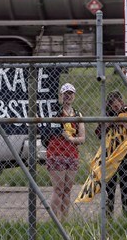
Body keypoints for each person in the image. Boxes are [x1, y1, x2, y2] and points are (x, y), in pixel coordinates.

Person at [95, 91, 127, 217]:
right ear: (109, 106)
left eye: (119, 104)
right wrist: (109, 124)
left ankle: (126, 215)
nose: (117, 108)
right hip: (111, 157)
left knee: (126, 186)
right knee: (110, 188)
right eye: (114, 106)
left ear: (122, 102)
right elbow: (98, 133)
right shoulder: (106, 115)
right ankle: (109, 216)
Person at [46, 83, 85, 221]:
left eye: (71, 93)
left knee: (67, 190)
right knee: (58, 189)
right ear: (61, 96)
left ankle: (64, 219)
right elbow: (48, 132)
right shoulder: (55, 113)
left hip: (71, 154)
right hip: (56, 153)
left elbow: (82, 138)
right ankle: (54, 219)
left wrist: (70, 138)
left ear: (74, 96)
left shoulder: (77, 114)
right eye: (65, 93)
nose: (68, 96)